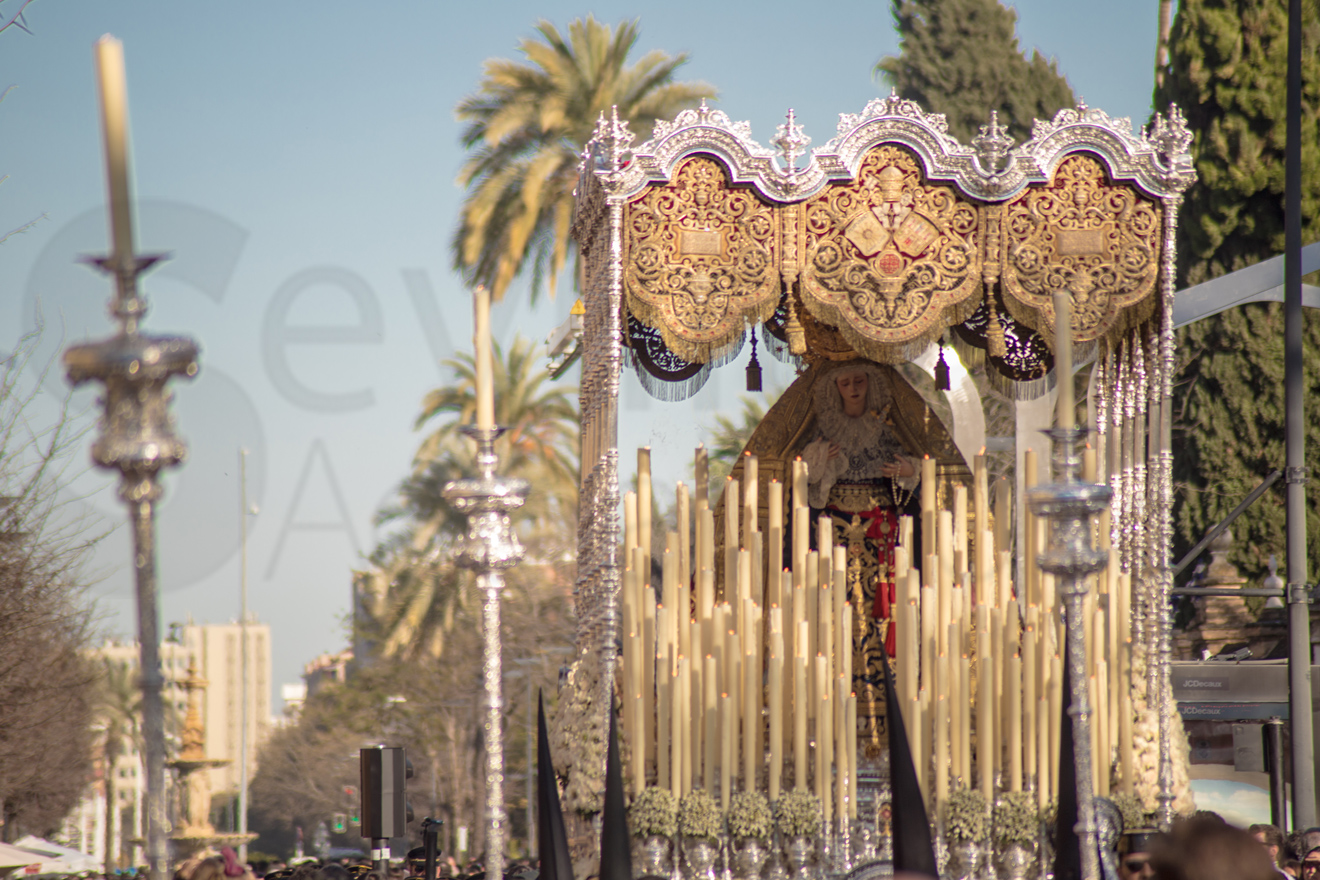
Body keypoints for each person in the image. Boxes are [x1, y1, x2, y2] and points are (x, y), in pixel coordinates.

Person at [799, 359, 923, 752]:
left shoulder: (884, 430)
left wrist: (908, 471)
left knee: (879, 615)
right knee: (836, 614)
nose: (853, 389)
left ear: (871, 385)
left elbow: (913, 472)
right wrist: (818, 460)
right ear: (833, 390)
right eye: (845, 383)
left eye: (859, 382)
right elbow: (803, 479)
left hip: (879, 538)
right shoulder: (824, 431)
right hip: (834, 536)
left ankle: (887, 701)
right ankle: (834, 697)